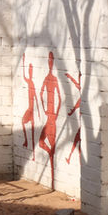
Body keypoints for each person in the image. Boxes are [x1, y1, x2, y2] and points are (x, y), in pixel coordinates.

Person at [39, 51, 61, 189]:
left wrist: (56, 113)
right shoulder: (47, 78)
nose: (50, 62)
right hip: (49, 116)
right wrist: (44, 109)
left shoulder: (53, 79)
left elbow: (60, 97)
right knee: (42, 142)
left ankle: (53, 180)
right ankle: (51, 154)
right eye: (49, 60)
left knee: (50, 144)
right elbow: (41, 94)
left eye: (51, 60)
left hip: (52, 117)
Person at [21, 54, 40, 160]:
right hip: (30, 109)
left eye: (31, 70)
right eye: (29, 70)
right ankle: (26, 141)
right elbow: (24, 76)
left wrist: (38, 111)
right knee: (23, 122)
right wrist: (23, 62)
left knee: (32, 132)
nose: (30, 72)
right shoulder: (29, 82)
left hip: (32, 110)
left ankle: (33, 153)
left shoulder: (31, 83)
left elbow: (36, 98)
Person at [65, 71, 82, 164]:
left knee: (77, 142)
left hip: (82, 127)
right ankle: (70, 157)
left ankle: (70, 157)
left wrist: (70, 77)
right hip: (82, 126)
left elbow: (77, 84)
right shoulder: (81, 99)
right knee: (76, 142)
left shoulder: (81, 99)